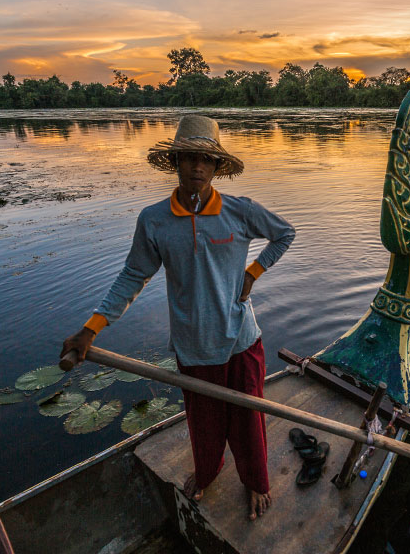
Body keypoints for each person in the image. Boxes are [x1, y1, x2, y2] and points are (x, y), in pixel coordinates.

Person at [60, 115, 295, 521]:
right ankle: (208, 470)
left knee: (247, 419)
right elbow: (133, 275)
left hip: (241, 339)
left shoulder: (240, 212)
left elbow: (284, 233)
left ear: (218, 166)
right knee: (203, 424)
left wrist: (253, 273)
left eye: (207, 160)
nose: (198, 168)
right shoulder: (154, 220)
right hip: (193, 345)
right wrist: (90, 329)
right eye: (189, 158)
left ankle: (255, 480)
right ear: (175, 162)